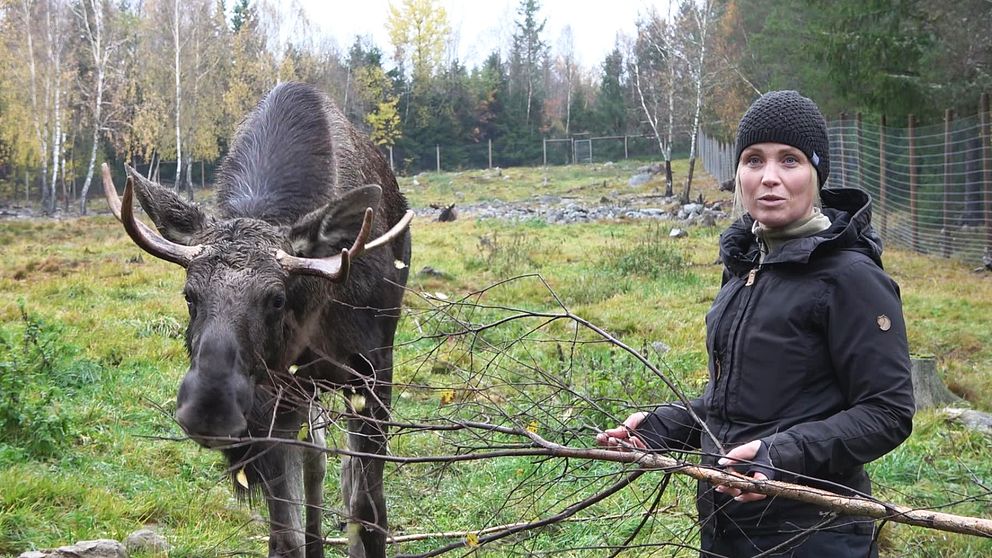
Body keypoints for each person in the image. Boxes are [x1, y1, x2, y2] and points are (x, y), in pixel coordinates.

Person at [597, 90, 915, 557]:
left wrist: (780, 459)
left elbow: (888, 412)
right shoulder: (747, 267)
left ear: (817, 174)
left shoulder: (852, 278)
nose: (769, 178)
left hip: (811, 532)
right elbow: (742, 403)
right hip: (728, 526)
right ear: (739, 173)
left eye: (789, 160)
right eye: (753, 160)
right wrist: (666, 425)